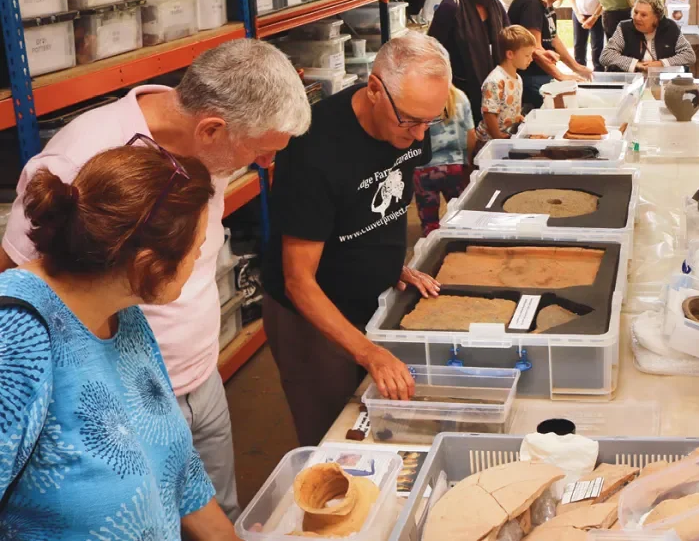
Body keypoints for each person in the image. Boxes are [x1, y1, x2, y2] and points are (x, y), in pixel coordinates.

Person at [0, 38, 309, 521]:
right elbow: (21, 278)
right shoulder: (81, 160)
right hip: (111, 401)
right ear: (212, 128)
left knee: (214, 510)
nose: (266, 163)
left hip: (195, 374)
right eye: (263, 152)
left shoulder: (212, 144)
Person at [0, 143, 240, 539]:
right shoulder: (17, 338)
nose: (200, 257)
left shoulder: (122, 314)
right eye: (194, 252)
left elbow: (178, 473)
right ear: (147, 264)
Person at [263, 32, 450, 447]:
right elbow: (299, 281)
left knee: (387, 422)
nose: (420, 136)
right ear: (374, 90)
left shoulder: (413, 122)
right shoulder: (313, 148)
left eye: (430, 121)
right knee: (336, 436)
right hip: (314, 314)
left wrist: (388, 264)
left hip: (372, 297)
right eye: (410, 121)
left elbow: (372, 205)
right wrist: (369, 352)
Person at [427, 0, 512, 124]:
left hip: (493, 97)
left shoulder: (495, 6)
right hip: (460, 101)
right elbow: (431, 55)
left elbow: (511, 41)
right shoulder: (451, 7)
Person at [508, 0, 593, 111]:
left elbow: (554, 39)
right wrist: (560, 76)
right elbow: (535, 49)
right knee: (567, 103)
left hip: (540, 72)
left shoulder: (545, 0)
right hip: (528, 74)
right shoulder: (531, 4)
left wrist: (576, 67)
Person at [411, 84, 475, 235]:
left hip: (424, 168)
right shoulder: (460, 96)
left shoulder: (416, 97)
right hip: (455, 166)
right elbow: (471, 135)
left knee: (430, 223)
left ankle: (434, 251)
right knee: (462, 216)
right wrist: (468, 161)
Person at [599, 0, 696, 72]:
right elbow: (606, 56)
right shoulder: (624, 28)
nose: (637, 18)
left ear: (656, 18)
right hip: (630, 83)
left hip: (661, 83)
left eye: (643, 15)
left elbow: (689, 55)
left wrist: (662, 63)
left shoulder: (670, 28)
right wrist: (635, 64)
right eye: (635, 12)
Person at [478, 25, 536, 142]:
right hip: (489, 140)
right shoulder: (495, 80)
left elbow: (512, 107)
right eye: (527, 55)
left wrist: (518, 117)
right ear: (510, 54)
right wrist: (497, 136)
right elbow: (489, 113)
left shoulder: (518, 78)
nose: (531, 59)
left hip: (508, 135)